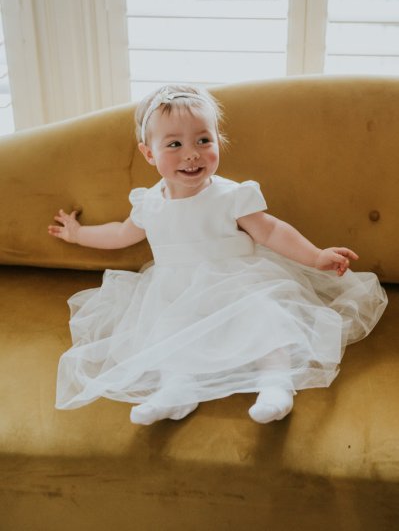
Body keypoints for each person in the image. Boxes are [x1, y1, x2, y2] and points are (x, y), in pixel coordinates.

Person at [49, 84, 388, 426]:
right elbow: (121, 234)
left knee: (266, 319)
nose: (191, 154)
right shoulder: (149, 203)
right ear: (149, 153)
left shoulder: (231, 195)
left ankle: (276, 385)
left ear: (217, 141)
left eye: (203, 140)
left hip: (237, 278)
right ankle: (177, 389)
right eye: (174, 144)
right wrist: (79, 235)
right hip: (176, 289)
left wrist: (315, 256)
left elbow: (269, 230)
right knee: (169, 331)